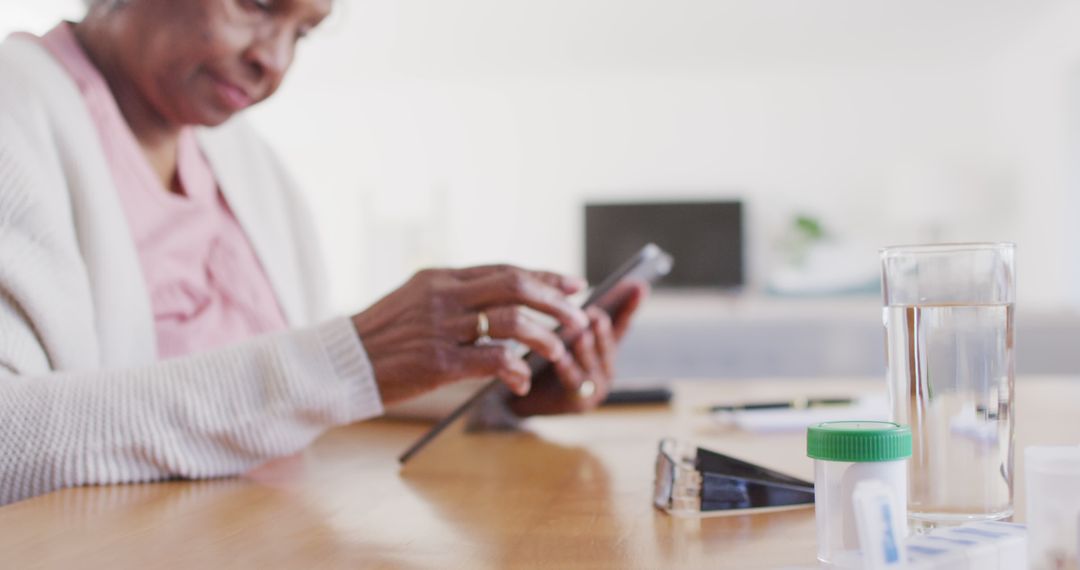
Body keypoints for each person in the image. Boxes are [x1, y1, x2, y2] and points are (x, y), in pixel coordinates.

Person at [0, 0, 646, 505]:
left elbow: (277, 396)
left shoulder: (241, 160)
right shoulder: (17, 108)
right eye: (256, 4)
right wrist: (348, 358)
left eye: (304, 32)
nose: (275, 62)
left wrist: (494, 387)